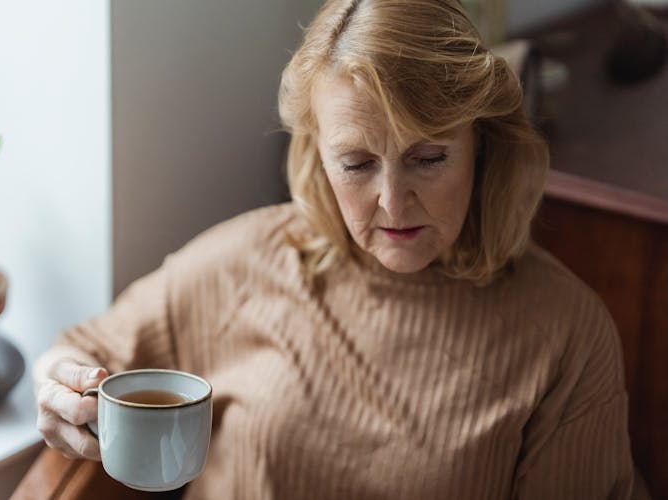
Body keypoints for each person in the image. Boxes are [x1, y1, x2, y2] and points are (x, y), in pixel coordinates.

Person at [34, 1, 648, 498]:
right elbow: (84, 352)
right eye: (356, 163)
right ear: (317, 156)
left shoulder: (565, 334)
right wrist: (57, 386)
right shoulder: (244, 261)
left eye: (428, 159)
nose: (393, 202)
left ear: (482, 144)